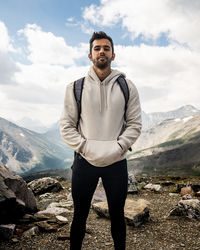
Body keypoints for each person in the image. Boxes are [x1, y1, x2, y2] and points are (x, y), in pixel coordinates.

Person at [60, 31, 142, 250]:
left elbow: (135, 124)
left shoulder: (128, 87)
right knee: (80, 215)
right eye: (97, 48)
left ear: (113, 55)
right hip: (84, 160)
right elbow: (66, 126)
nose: (101, 52)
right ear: (90, 55)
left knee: (117, 216)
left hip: (116, 161)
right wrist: (85, 147)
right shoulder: (75, 88)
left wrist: (119, 147)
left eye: (106, 48)